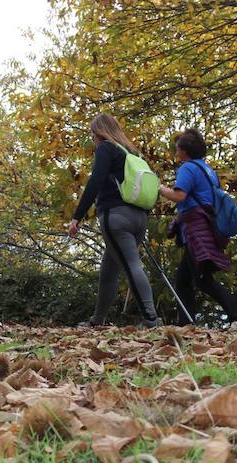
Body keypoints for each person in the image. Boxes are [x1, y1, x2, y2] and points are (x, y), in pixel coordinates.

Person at [67, 113, 161, 328]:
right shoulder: (131, 152)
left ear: (99, 133)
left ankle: (151, 319)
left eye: (93, 135)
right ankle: (98, 320)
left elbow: (95, 181)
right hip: (139, 218)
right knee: (109, 269)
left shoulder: (106, 148)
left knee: (131, 265)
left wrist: (77, 217)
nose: (93, 139)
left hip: (115, 216)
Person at [158, 128, 237, 325]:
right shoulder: (208, 171)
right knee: (184, 281)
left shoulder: (188, 168)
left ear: (185, 150)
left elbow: (179, 195)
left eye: (177, 149)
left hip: (196, 229)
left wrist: (157, 187)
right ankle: (186, 324)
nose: (175, 153)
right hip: (208, 226)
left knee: (202, 280)